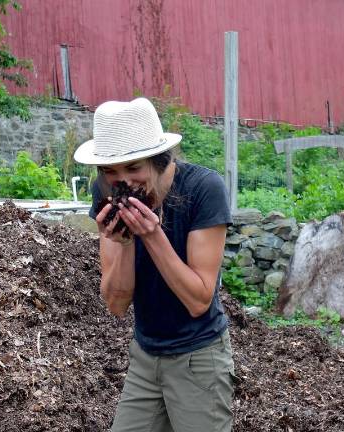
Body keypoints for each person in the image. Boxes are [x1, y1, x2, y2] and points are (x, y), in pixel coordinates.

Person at [74, 98, 236, 432]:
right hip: (146, 357)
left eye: (133, 167)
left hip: (198, 358)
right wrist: (122, 241)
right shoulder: (104, 192)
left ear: (160, 160)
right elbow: (117, 304)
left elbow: (199, 300)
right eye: (110, 171)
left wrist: (152, 235)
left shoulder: (204, 189)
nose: (123, 181)